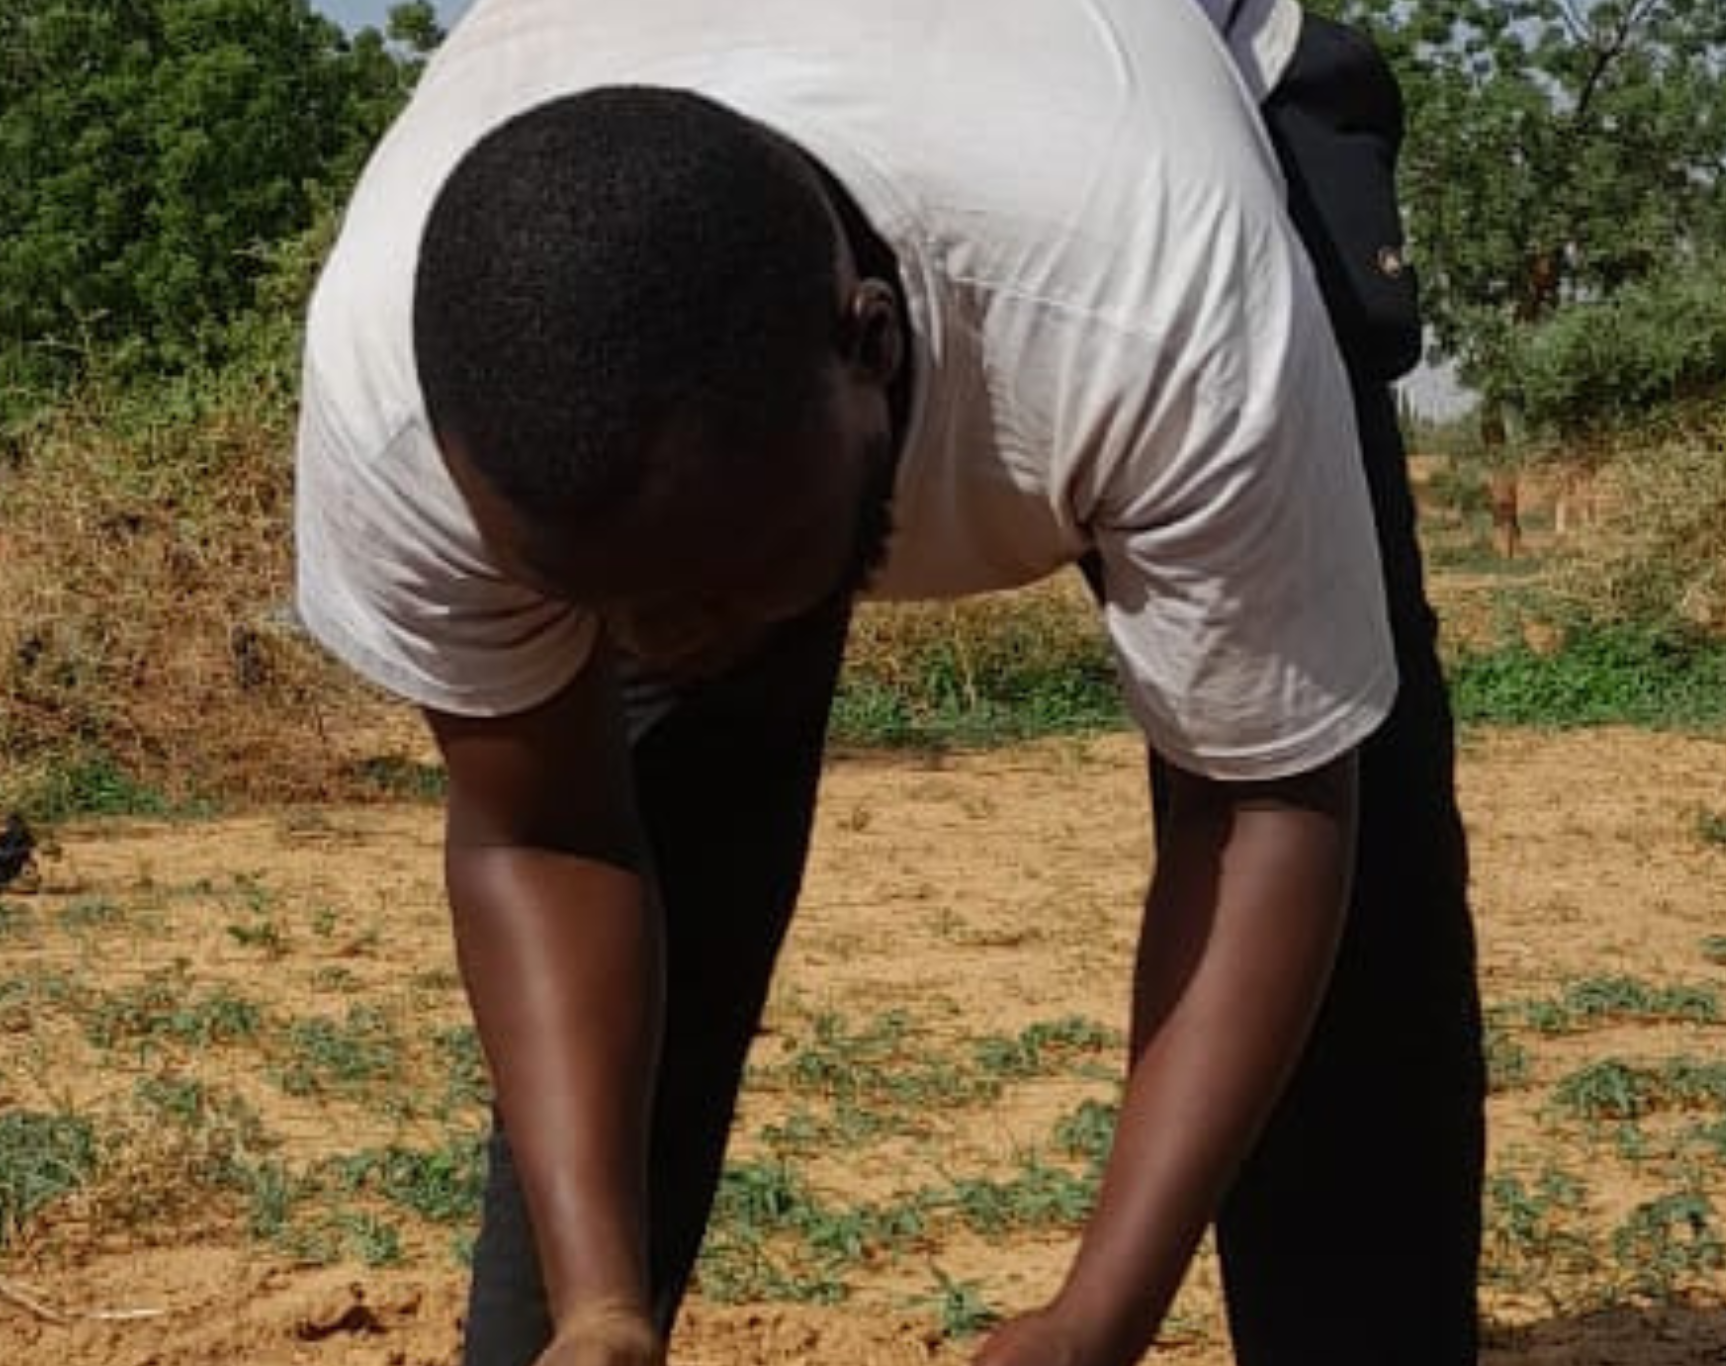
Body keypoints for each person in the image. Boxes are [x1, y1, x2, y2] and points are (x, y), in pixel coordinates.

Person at [293, 2, 1482, 1363]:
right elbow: (541, 830)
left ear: (871, 346)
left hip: (1149, 101)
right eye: (602, 595)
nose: (668, 635)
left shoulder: (1162, 295)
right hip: (744, 283)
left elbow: (1268, 803)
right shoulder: (403, 402)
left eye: (719, 575)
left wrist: (1101, 1313)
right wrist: (597, 1308)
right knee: (668, 809)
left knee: (1349, 833)